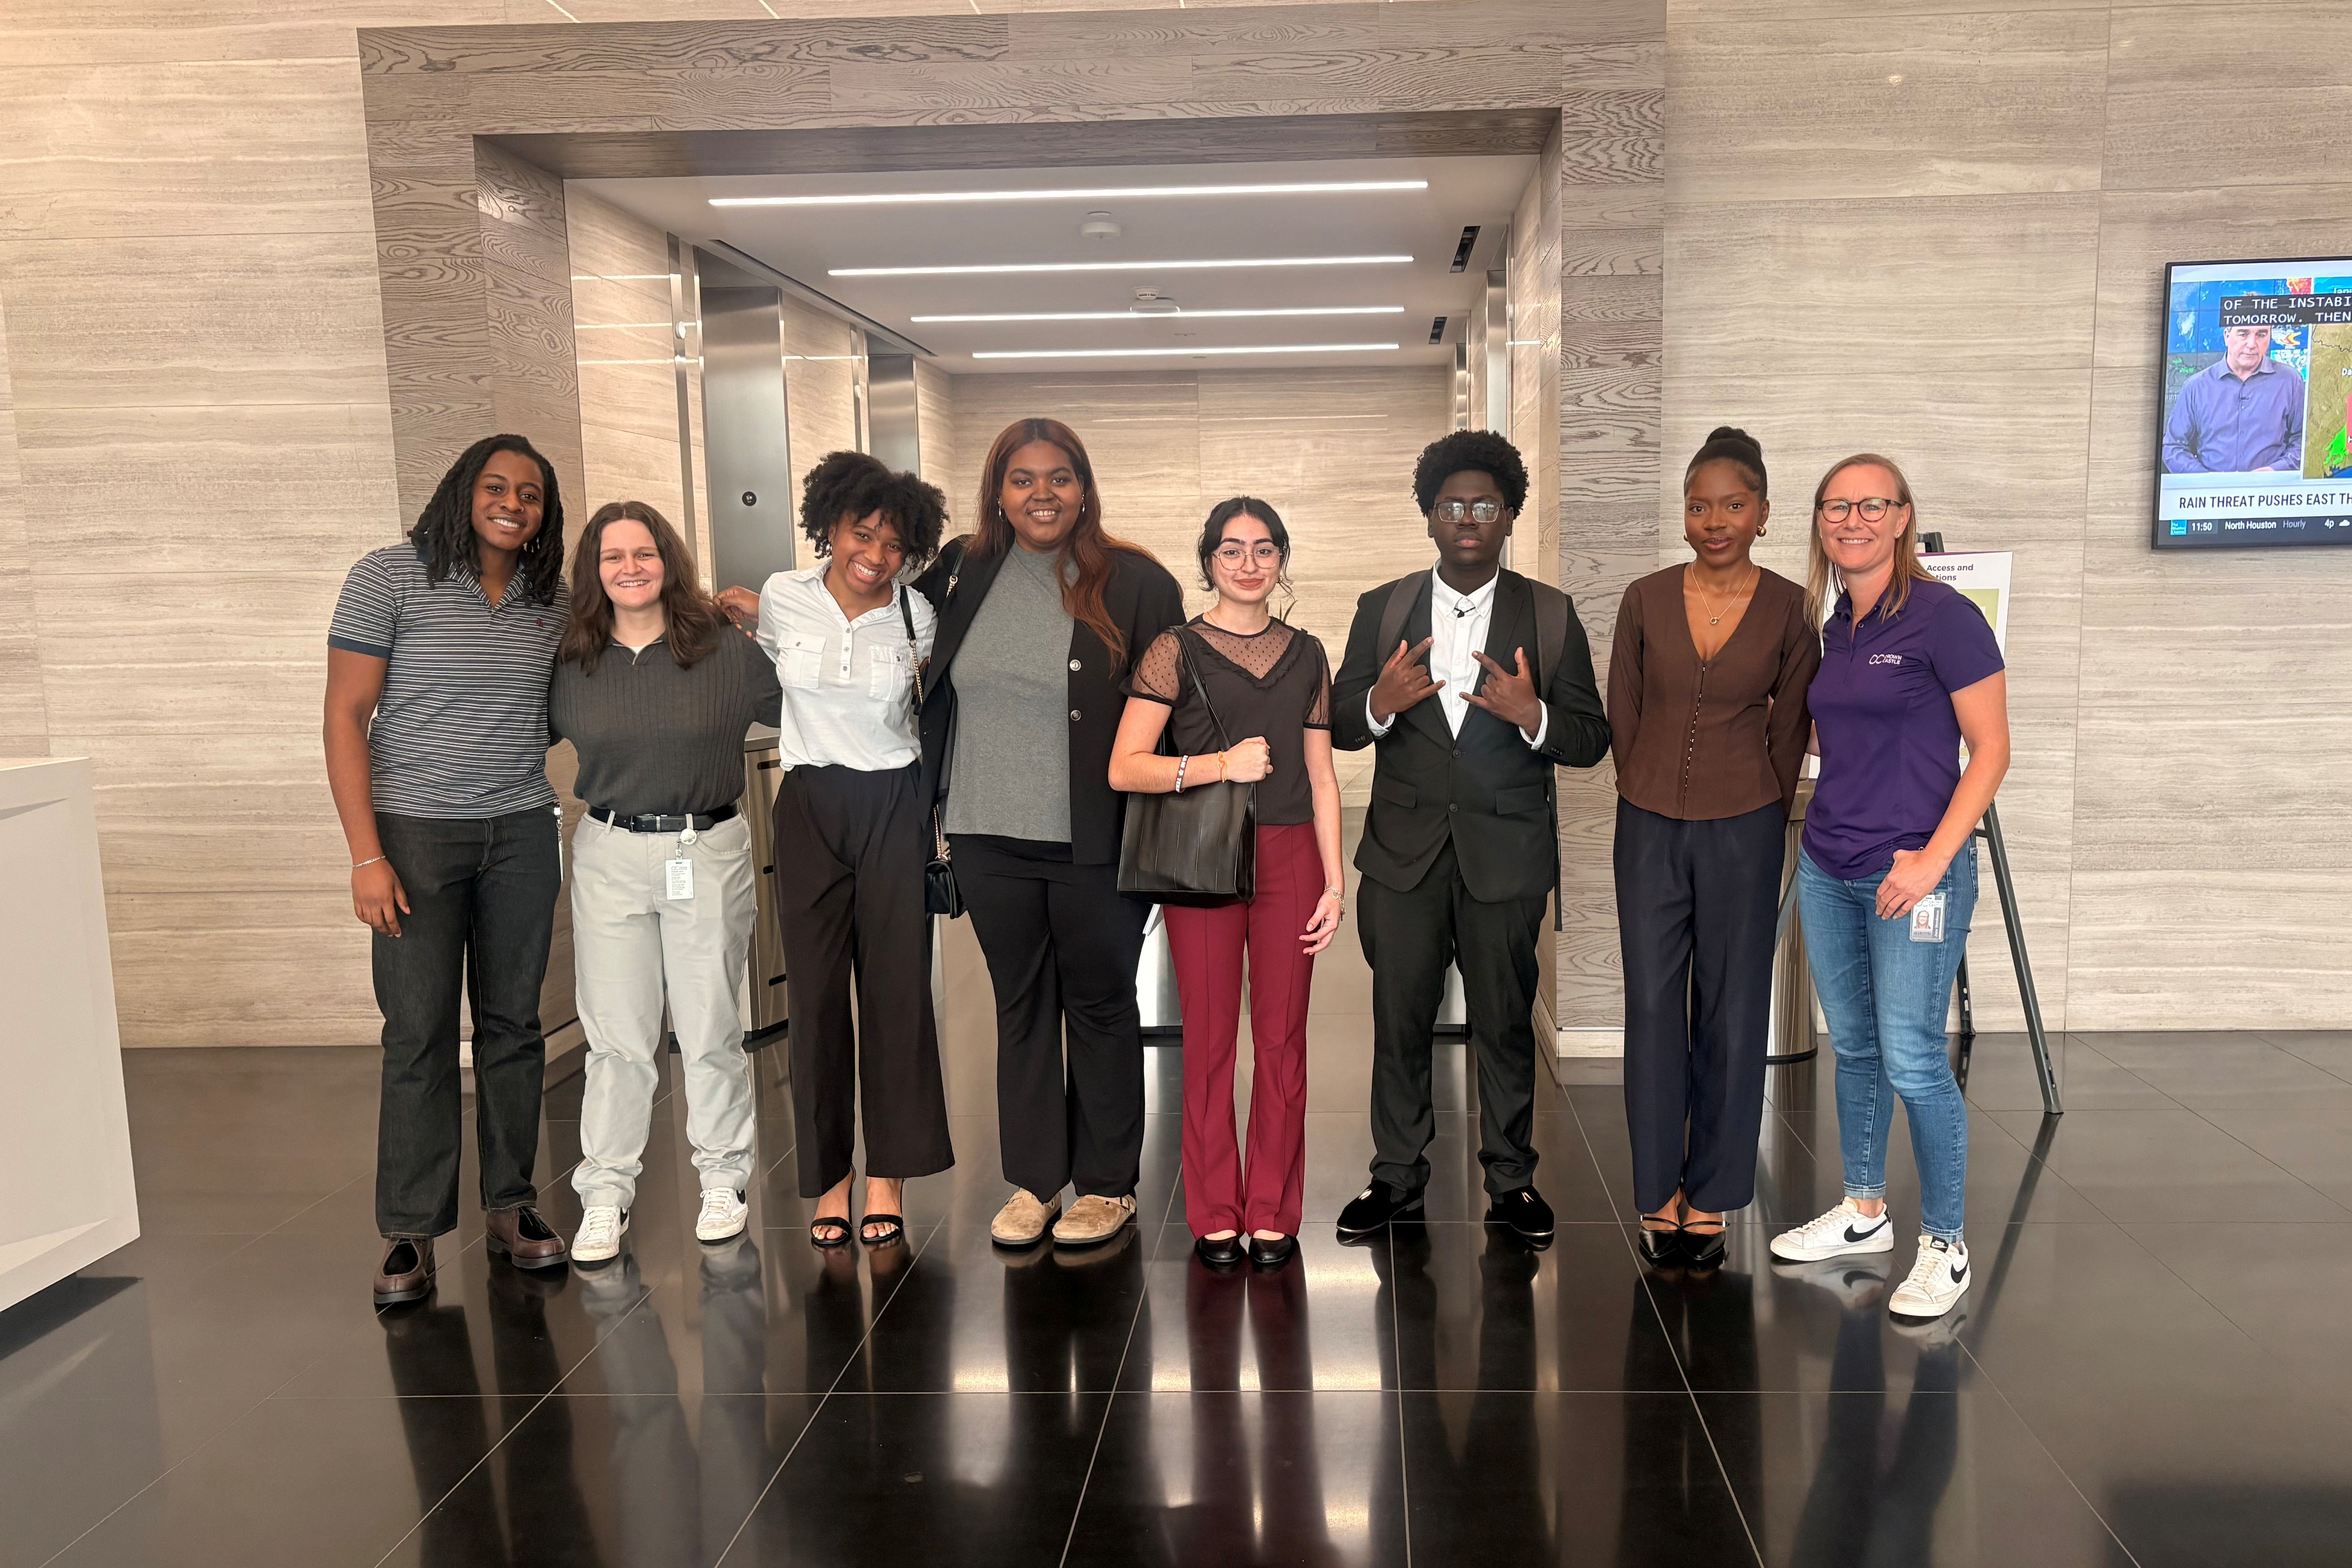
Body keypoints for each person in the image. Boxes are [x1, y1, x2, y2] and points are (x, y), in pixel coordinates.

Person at [1329, 430, 1610, 1243]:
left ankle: (1512, 1180)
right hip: (1402, 859)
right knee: (1399, 1019)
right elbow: (1343, 721)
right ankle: (1395, 1177)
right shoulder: (1380, 608)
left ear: (1510, 515)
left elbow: (1591, 738)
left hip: (1507, 857)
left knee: (1504, 1021)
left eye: (1484, 505)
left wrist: (1535, 718)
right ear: (1427, 516)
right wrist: (1378, 701)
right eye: (1450, 504)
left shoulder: (1550, 614)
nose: (1466, 518)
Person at [912, 418, 1185, 1249]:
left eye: (1059, 477)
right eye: (1023, 478)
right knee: (1020, 1005)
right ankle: (1035, 1181)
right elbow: (870, 604)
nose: (1042, 493)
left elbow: (1173, 715)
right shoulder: (961, 571)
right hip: (987, 834)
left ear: (1084, 486)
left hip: (1095, 839)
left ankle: (1106, 1185)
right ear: (997, 491)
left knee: (1101, 1005)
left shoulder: (1135, 582)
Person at [325, 433, 571, 1305]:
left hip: (519, 831)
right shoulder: (389, 575)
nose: (513, 503)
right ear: (462, 489)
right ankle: (411, 1228)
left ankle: (510, 1202)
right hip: (415, 834)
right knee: (419, 1028)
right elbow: (345, 715)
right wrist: (366, 853)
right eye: (497, 486)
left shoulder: (551, 595)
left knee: (513, 1024)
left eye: (532, 493)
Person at [1768, 454, 2010, 1322]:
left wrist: (1932, 859)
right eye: (1837, 506)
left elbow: (1991, 751)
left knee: (1912, 1056)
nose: (1853, 519)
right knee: (1859, 1048)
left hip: (1912, 868)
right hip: (1830, 865)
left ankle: (1945, 1244)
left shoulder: (1945, 618)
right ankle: (1865, 1210)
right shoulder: (1834, 622)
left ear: (1904, 517)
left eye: (1873, 504)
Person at [1109, 498, 1345, 1269]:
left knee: (1281, 1040)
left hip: (1289, 857)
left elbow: (1320, 773)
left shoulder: (1308, 653)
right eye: (1232, 550)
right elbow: (1126, 766)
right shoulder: (1173, 649)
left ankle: (1272, 1209)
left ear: (1282, 560)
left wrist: (1334, 880)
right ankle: (1214, 1209)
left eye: (1265, 549)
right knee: (1208, 1039)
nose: (1249, 564)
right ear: (1209, 560)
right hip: (1200, 855)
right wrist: (1219, 766)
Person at [1610, 427, 1819, 1266]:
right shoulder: (1645, 597)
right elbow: (1624, 712)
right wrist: (1650, 786)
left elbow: (1791, 726)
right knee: (1655, 1007)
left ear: (1763, 513)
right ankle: (1658, 1189)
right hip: (1647, 821)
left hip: (1747, 824)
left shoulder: (1790, 608)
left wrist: (1753, 806)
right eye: (1699, 506)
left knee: (1733, 1010)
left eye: (1732, 505)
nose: (1714, 520)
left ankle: (1716, 1195)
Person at [552, 500, 781, 1264]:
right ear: (594, 571)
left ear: (669, 559)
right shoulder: (572, 659)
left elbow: (805, 705)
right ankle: (605, 1195)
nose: (630, 567)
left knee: (711, 1026)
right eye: (613, 556)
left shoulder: (725, 649)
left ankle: (723, 1178)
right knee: (617, 1038)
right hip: (609, 852)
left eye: (643, 552)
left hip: (706, 847)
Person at [741, 452, 957, 1248]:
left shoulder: (917, 617)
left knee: (898, 992)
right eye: (861, 533)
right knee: (819, 996)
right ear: (827, 526)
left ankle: (888, 1175)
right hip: (809, 805)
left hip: (893, 805)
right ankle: (830, 1177)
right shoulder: (782, 597)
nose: (876, 554)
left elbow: (932, 708)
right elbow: (762, 664)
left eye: (896, 544)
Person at [2163, 322, 2306, 473]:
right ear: (2227, 336)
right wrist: (2205, 480)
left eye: (2261, 335)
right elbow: (2174, 448)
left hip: (2271, 492)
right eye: (2244, 334)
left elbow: (2303, 442)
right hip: (2210, 493)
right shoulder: (2196, 387)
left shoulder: (2290, 381)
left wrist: (2276, 470)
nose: (2252, 344)